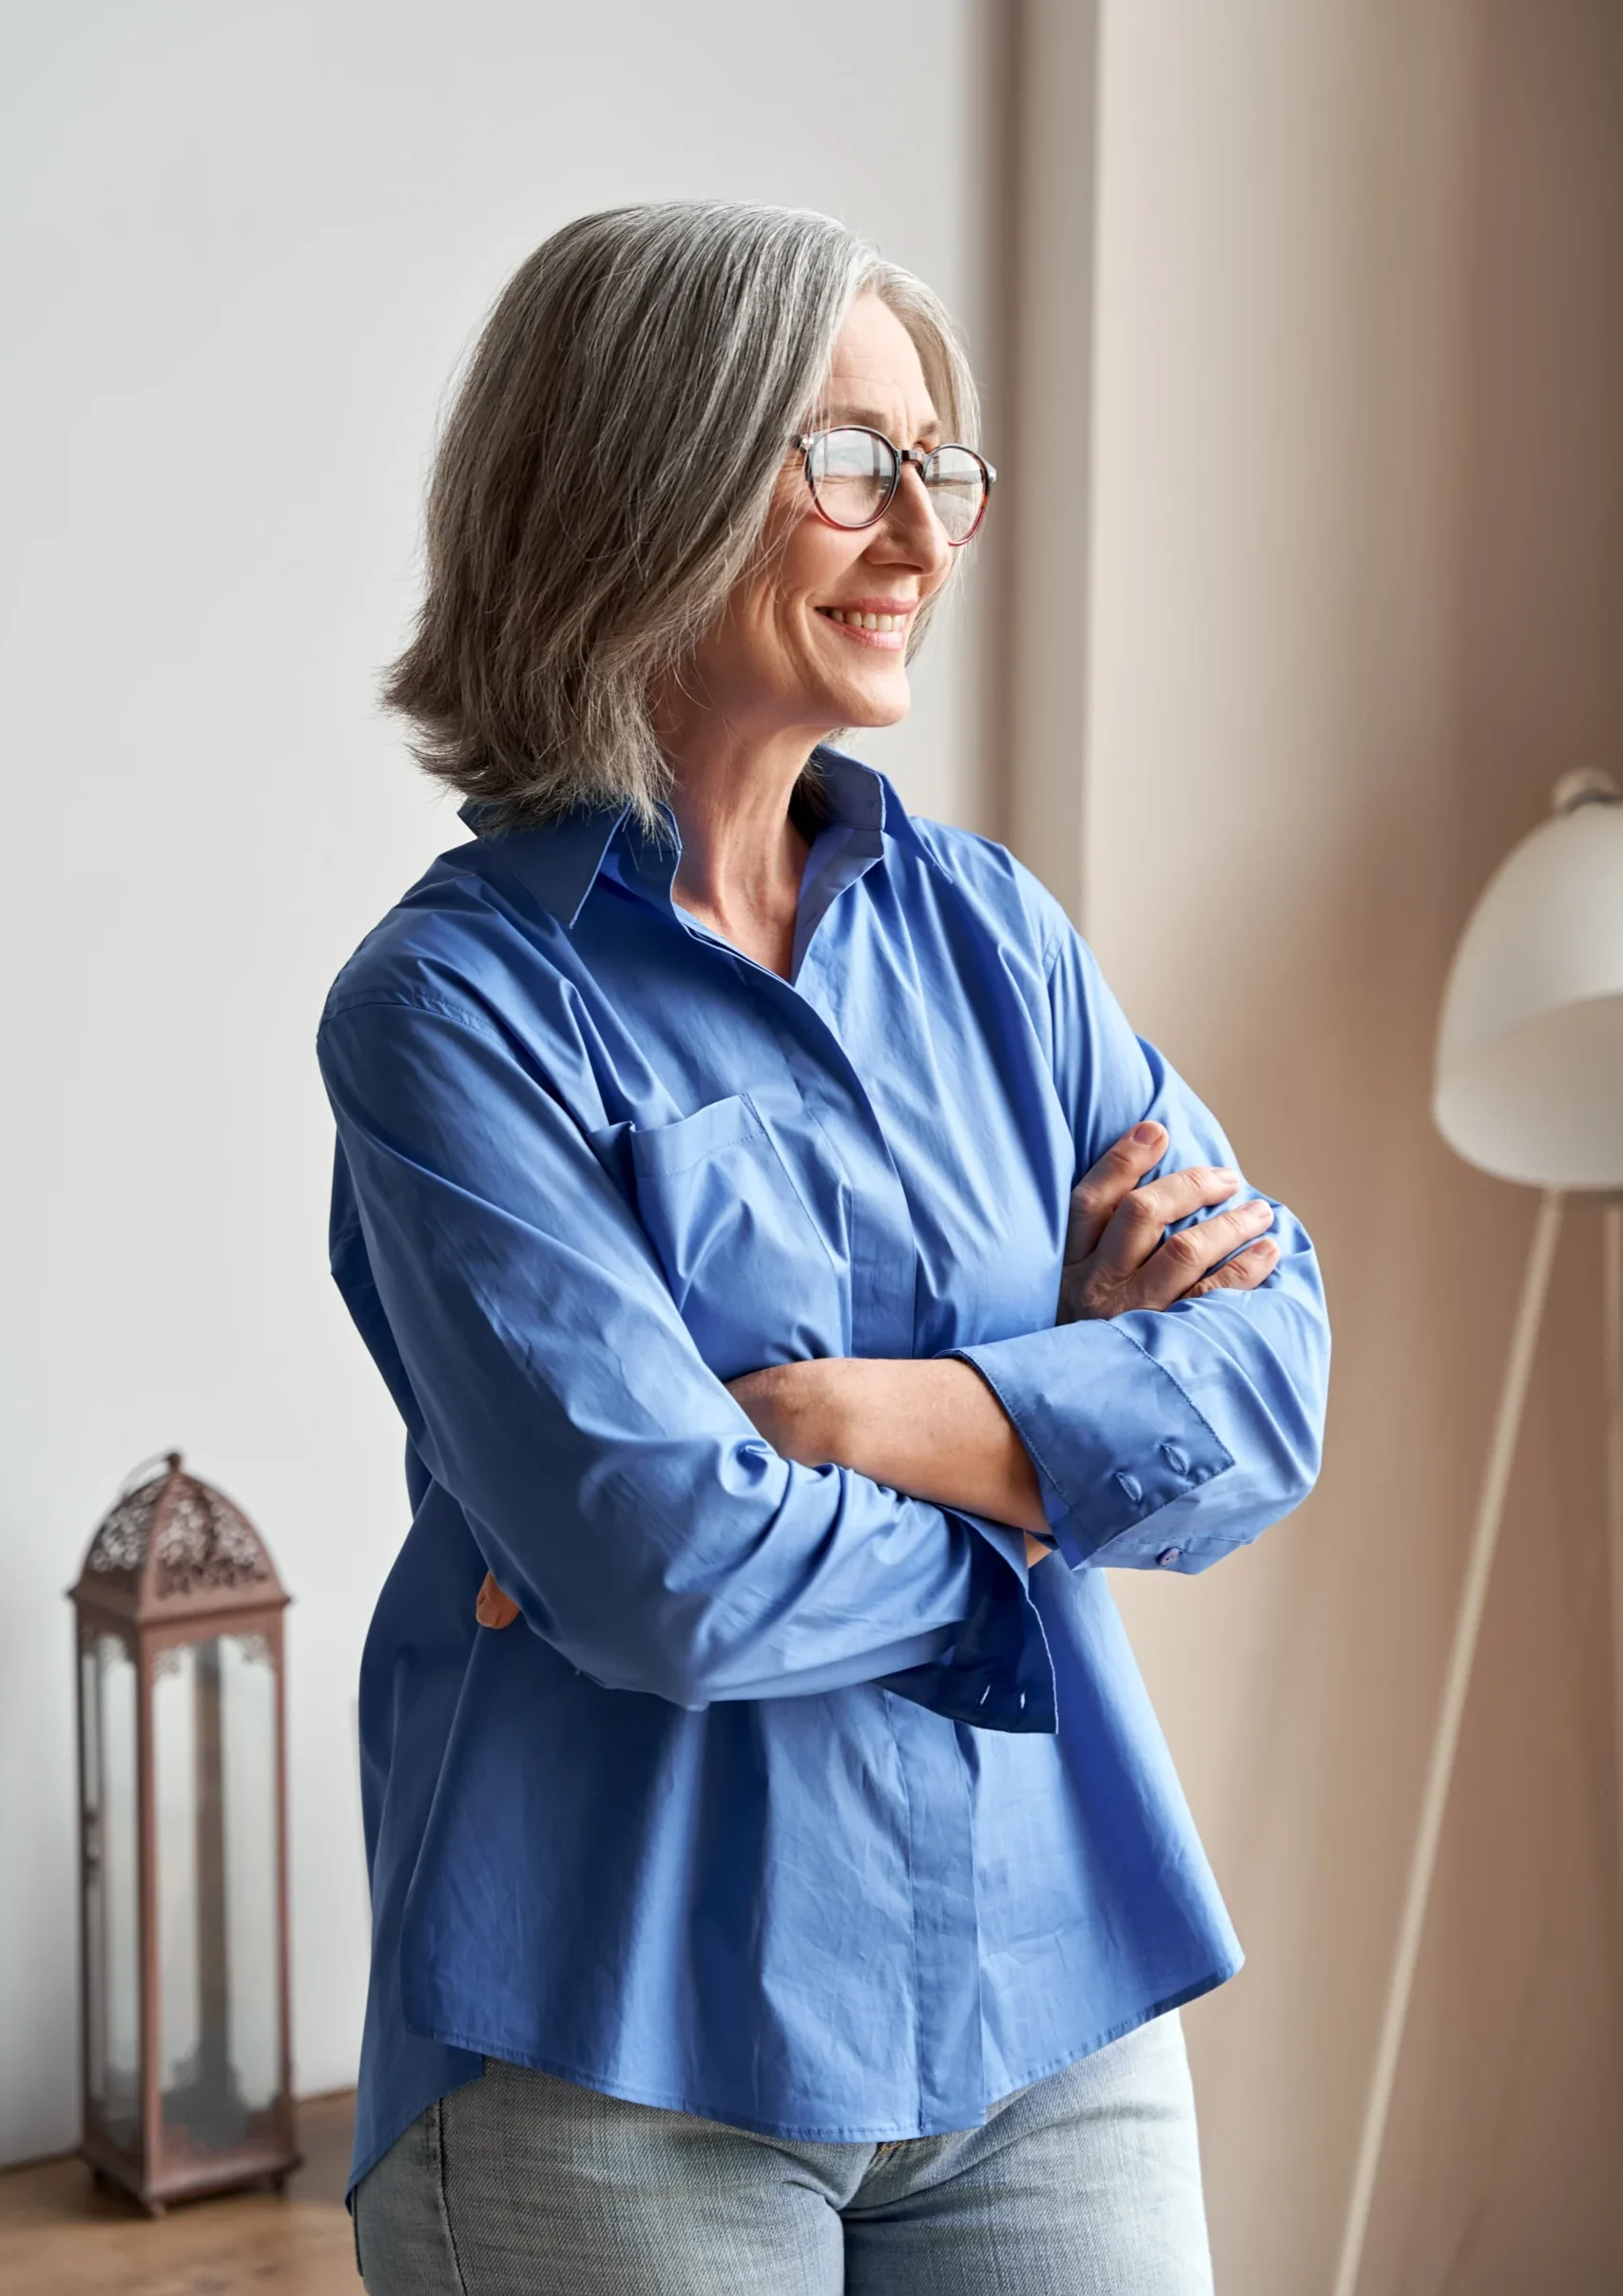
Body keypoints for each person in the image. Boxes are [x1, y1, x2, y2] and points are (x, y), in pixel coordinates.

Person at [319, 200, 1329, 2296]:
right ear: (639, 477)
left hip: (1045, 1987)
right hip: (612, 2048)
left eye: (935, 464)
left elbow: (1264, 1380)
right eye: (848, 461)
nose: (924, 535)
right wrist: (1065, 1457)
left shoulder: (993, 936)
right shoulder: (450, 1013)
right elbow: (668, 1566)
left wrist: (903, 1418)